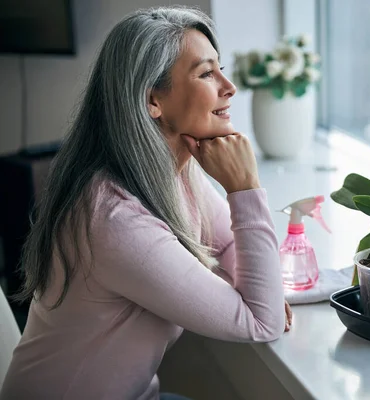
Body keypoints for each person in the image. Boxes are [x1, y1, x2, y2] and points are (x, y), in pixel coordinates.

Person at [0, 6, 292, 400]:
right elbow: (262, 322)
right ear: (153, 99)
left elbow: (227, 247)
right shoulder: (112, 218)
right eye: (207, 73)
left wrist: (258, 290)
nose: (229, 86)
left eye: (220, 68)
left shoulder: (174, 170)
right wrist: (245, 189)